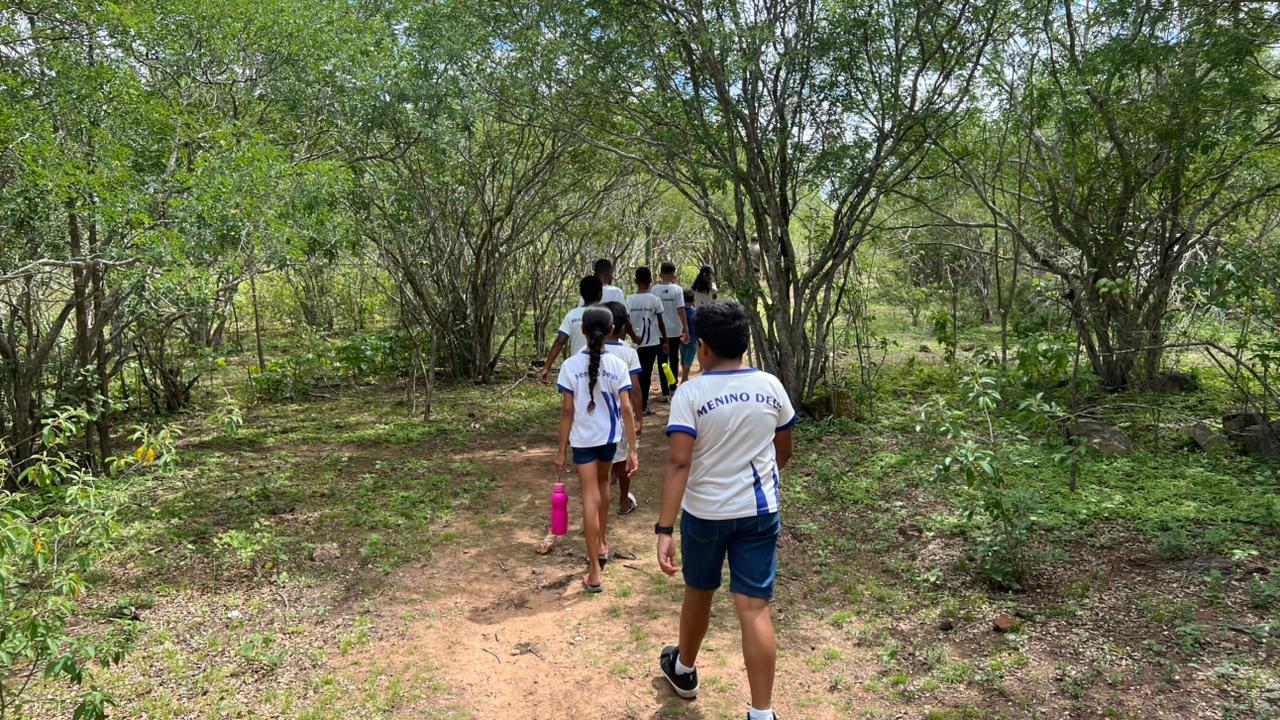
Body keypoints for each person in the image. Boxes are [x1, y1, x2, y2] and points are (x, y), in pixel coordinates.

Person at [653, 301, 796, 720]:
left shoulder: (691, 394)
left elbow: (679, 462)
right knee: (754, 607)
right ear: (745, 344)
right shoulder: (770, 386)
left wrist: (664, 529)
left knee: (699, 591)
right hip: (759, 511)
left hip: (705, 514)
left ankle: (684, 670)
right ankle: (762, 713)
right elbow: (783, 451)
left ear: (703, 347)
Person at [555, 307, 639, 593]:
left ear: (582, 331)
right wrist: (633, 449)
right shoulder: (617, 365)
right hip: (609, 438)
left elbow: (568, 412)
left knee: (589, 496)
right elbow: (626, 408)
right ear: (612, 329)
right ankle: (602, 543)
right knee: (604, 486)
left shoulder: (569, 366)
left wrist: (561, 450)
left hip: (582, 440)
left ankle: (594, 571)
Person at [603, 301, 644, 515]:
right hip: (619, 417)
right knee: (623, 460)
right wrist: (639, 418)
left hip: (595, 418)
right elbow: (635, 389)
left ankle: (598, 500)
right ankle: (623, 501)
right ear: (622, 327)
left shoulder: (589, 351)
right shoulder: (629, 353)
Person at [540, 276, 602, 383]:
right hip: (602, 367)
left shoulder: (572, 315)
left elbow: (560, 341)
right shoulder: (605, 315)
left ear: (581, 294)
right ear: (600, 294)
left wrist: (546, 367)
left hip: (577, 369)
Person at [626, 267, 668, 415]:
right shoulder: (655, 300)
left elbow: (626, 322)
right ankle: (643, 406)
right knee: (646, 374)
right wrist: (666, 341)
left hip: (634, 344)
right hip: (652, 343)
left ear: (635, 281)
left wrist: (631, 337)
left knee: (634, 374)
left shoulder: (629, 300)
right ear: (650, 281)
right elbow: (661, 323)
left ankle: (636, 405)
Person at [651, 262, 690, 401]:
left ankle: (665, 392)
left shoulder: (654, 289)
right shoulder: (677, 290)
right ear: (674, 274)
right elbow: (681, 310)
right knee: (674, 359)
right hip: (674, 331)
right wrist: (686, 329)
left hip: (659, 331)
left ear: (660, 274)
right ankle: (673, 388)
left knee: (662, 361)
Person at [679, 289, 699, 382]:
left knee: (683, 358)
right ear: (694, 300)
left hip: (682, 338)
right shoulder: (696, 312)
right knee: (688, 360)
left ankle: (685, 377)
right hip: (693, 339)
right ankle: (684, 378)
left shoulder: (680, 311)